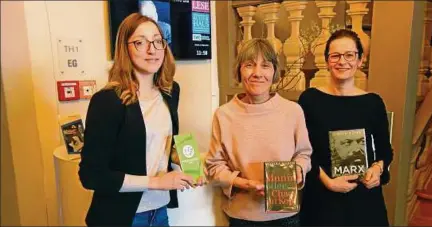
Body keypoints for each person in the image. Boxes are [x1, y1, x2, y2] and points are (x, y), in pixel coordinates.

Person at [78, 13, 204, 226]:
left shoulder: (170, 91)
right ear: (124, 49)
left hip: (160, 212)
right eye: (140, 42)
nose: (152, 49)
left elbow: (166, 142)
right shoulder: (108, 101)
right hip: (121, 217)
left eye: (157, 41)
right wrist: (157, 182)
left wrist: (189, 164)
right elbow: (91, 175)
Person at [205, 38, 313, 226]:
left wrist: (297, 171)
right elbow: (215, 166)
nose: (257, 73)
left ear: (274, 72)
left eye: (265, 65)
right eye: (249, 65)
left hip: (285, 215)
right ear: (239, 70)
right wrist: (243, 183)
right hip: (242, 216)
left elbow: (303, 155)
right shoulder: (224, 115)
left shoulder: (293, 111)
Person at [298, 29, 393, 226]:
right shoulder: (309, 100)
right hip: (322, 198)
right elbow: (303, 151)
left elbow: (385, 151)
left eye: (350, 55)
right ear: (326, 61)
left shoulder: (373, 103)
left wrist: (377, 169)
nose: (342, 61)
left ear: (360, 60)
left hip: (363, 199)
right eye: (335, 56)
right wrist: (327, 181)